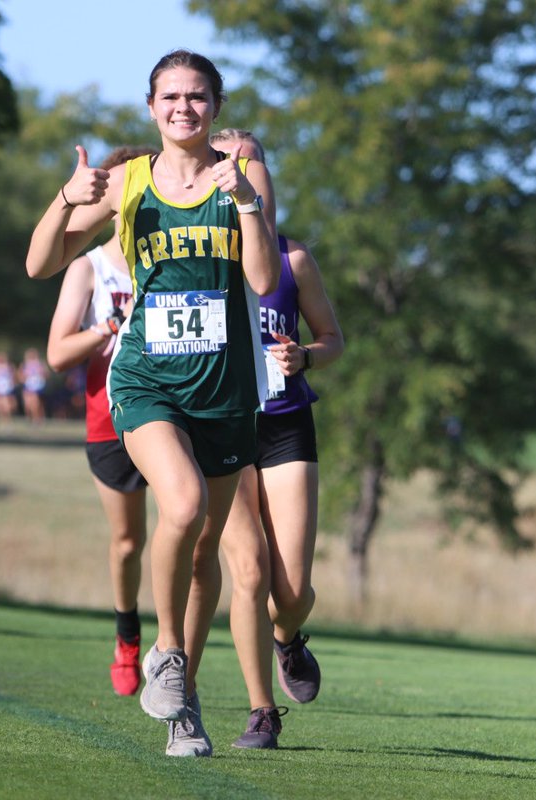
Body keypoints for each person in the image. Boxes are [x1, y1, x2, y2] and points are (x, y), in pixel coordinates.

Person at [26, 50, 279, 757]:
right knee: (184, 506)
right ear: (151, 107)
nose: (183, 108)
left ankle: (183, 710)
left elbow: (261, 279)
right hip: (145, 379)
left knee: (204, 558)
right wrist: (68, 197)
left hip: (225, 389)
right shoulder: (129, 181)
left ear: (216, 106)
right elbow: (40, 262)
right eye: (170, 96)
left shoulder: (245, 174)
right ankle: (165, 653)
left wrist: (248, 201)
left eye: (197, 97)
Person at [211, 128, 345, 749]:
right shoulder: (196, 259)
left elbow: (333, 339)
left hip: (286, 421)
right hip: (222, 421)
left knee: (289, 591)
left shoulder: (292, 260)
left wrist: (306, 358)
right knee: (249, 569)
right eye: (226, 162)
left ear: (266, 178)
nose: (239, 171)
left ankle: (287, 638)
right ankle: (261, 711)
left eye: (250, 163)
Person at [45, 144, 157, 697]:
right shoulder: (89, 267)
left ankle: (176, 650)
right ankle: (127, 632)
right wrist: (109, 327)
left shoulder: (172, 261)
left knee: (191, 527)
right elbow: (57, 353)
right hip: (107, 418)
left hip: (176, 409)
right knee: (129, 541)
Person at [18, 347, 49, 424]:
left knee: (36, 403)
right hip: (27, 386)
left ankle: (37, 419)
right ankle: (30, 418)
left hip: (37, 387)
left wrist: (40, 378)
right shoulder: (24, 365)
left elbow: (46, 374)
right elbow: (20, 376)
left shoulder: (40, 364)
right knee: (27, 404)